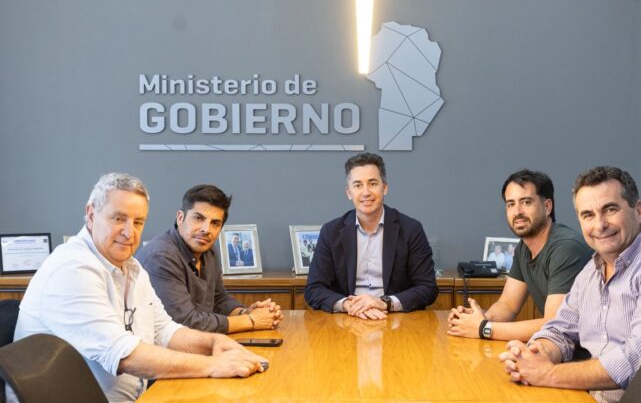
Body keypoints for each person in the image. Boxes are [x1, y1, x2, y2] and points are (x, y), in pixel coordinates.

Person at [7, 173, 268, 403]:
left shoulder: (132, 268)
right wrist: (212, 365)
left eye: (138, 222)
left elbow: (165, 330)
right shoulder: (72, 268)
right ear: (91, 214)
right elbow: (125, 356)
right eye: (118, 218)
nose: (129, 232)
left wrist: (214, 342)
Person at [499, 166, 641, 403]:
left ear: (638, 211)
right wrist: (537, 352)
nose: (600, 225)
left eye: (610, 209)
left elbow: (638, 361)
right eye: (588, 215)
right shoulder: (591, 271)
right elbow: (560, 330)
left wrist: (547, 373)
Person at [448, 169, 592, 342]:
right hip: (559, 348)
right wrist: (477, 318)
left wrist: (484, 328)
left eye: (526, 202)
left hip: (588, 353)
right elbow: (507, 305)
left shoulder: (566, 247)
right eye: (510, 204)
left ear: (547, 207)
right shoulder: (524, 248)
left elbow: (554, 325)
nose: (517, 211)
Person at [305, 152, 438, 319]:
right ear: (348, 192)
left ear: (385, 187)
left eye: (373, 183)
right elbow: (313, 289)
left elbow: (427, 287)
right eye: (358, 185)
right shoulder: (331, 232)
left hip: (393, 318)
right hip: (348, 318)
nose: (366, 192)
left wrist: (384, 302)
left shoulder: (411, 229)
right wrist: (348, 305)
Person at [137, 185, 282, 334]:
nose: (206, 229)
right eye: (198, 218)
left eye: (215, 223)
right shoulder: (160, 257)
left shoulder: (208, 250)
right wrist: (250, 320)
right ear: (180, 218)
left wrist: (245, 312)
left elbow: (219, 299)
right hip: (160, 346)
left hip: (198, 342)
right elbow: (185, 323)